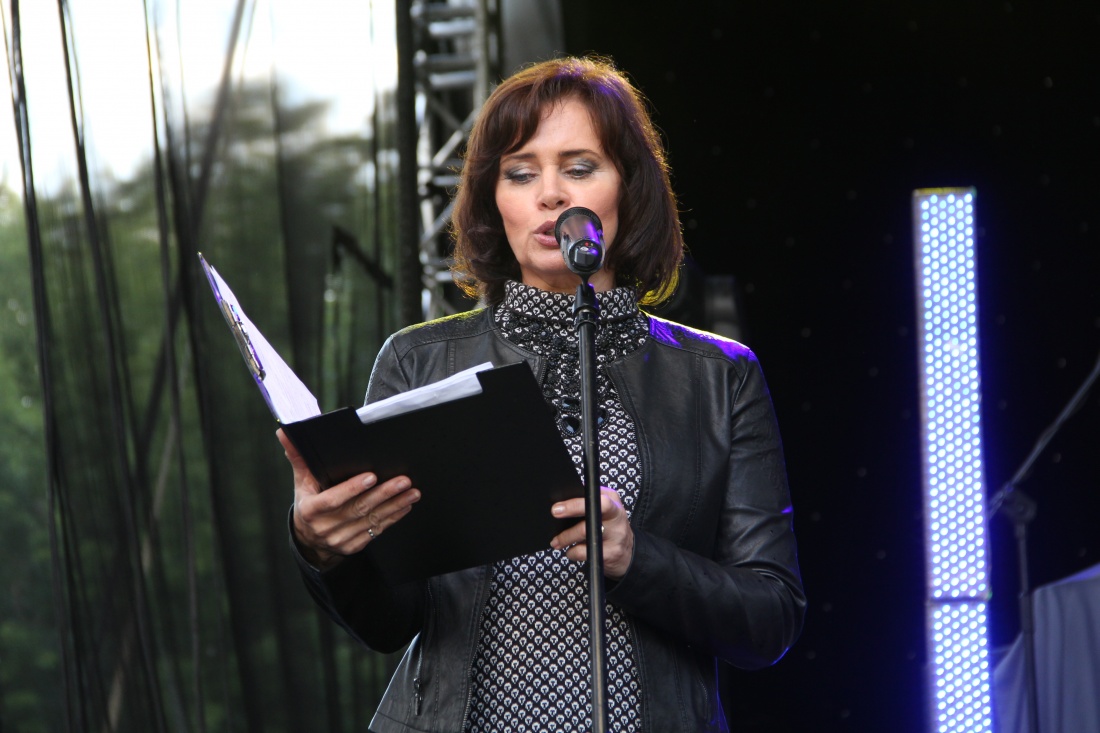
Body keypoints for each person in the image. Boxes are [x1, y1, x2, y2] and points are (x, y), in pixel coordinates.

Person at [278, 56, 805, 733]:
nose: (550, 195)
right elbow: (389, 623)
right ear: (494, 200)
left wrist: (638, 559)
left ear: (630, 188)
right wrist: (325, 547)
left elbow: (770, 617)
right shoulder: (419, 360)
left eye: (580, 168)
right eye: (521, 173)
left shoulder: (719, 375)